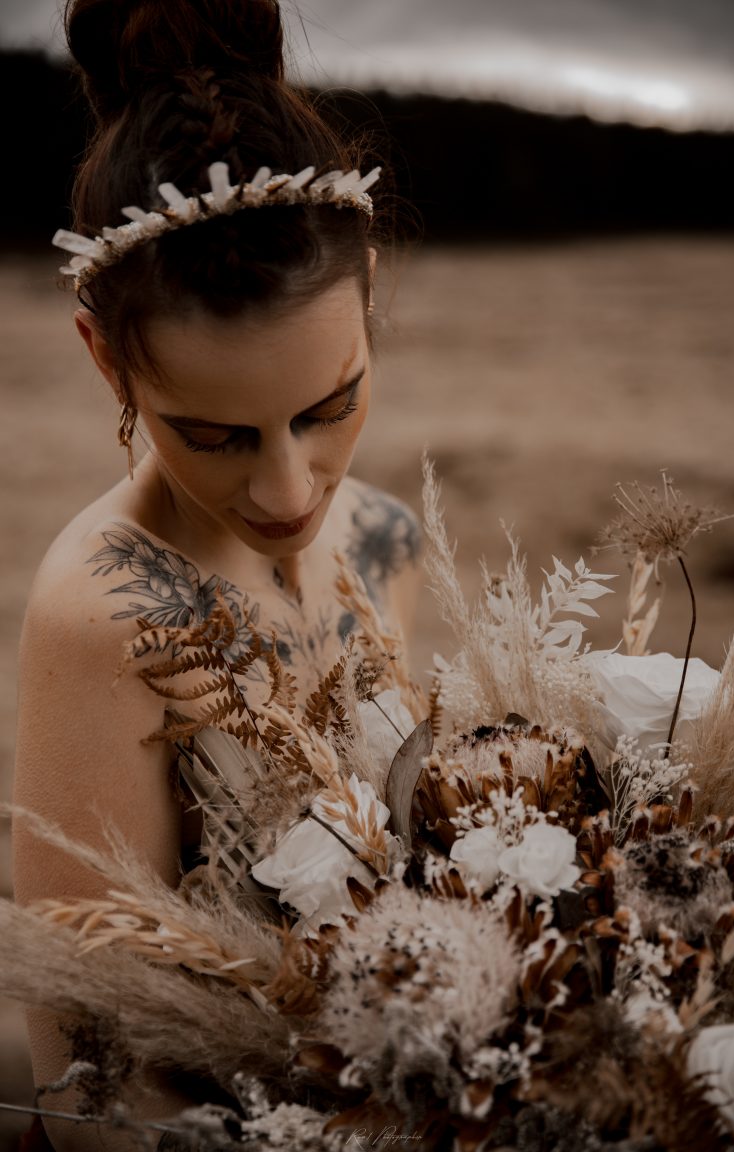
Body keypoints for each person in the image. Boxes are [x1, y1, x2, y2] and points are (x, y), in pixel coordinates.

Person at [11, 1, 422, 1147]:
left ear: (371, 294)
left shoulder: (386, 535)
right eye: (217, 434)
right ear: (105, 354)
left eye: (327, 407)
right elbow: (89, 1095)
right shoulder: (102, 617)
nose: (293, 491)